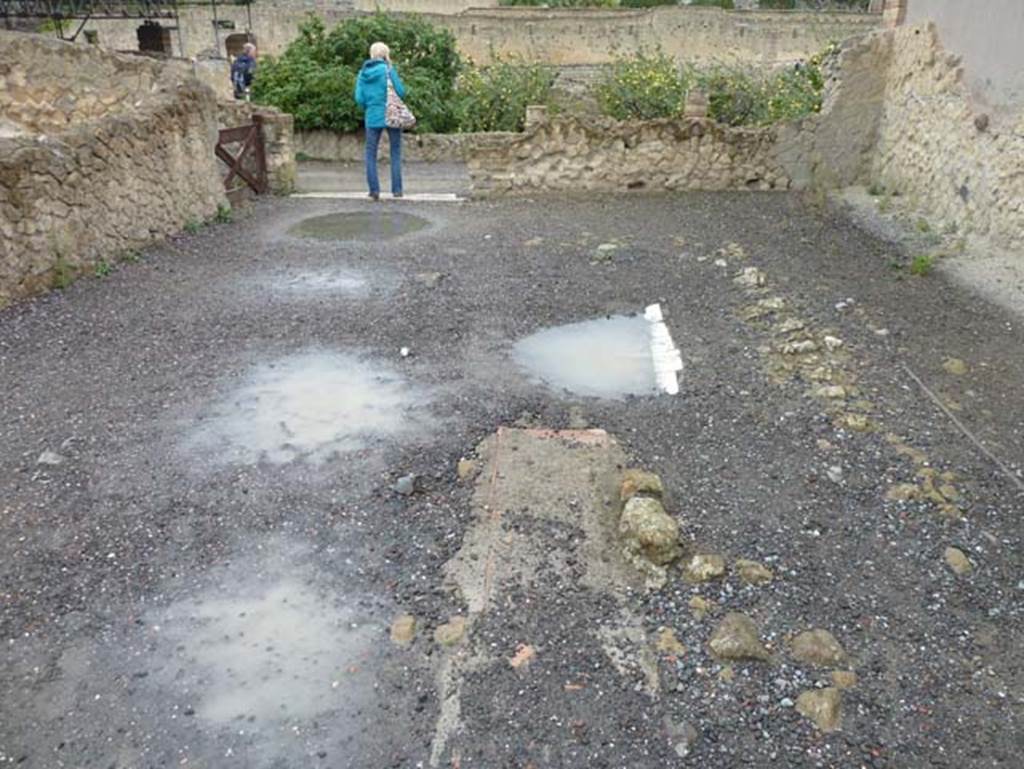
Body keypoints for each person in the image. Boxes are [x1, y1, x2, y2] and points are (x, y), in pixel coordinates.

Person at [354, 42, 406, 200]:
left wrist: (370, 105)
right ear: (385, 55)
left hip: (372, 116)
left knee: (370, 154)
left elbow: (359, 98)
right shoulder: (389, 70)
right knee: (395, 152)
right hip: (392, 114)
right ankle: (397, 190)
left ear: (371, 54)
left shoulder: (363, 73)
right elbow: (401, 92)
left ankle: (374, 191)